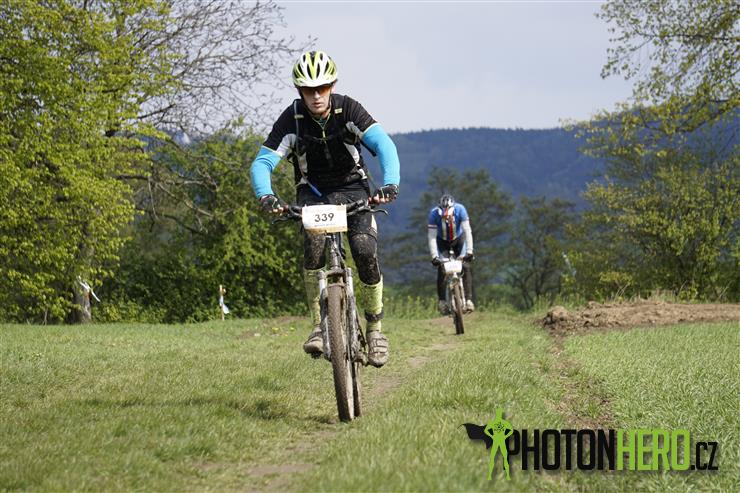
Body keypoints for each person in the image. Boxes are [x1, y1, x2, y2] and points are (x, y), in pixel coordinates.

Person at [250, 50, 400, 368]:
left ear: (332, 86)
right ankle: (319, 325)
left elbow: (384, 145)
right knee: (314, 246)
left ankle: (375, 330)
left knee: (364, 250)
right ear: (299, 91)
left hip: (353, 188)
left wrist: (390, 184)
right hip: (313, 192)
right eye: (309, 90)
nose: (316, 95)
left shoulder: (349, 110)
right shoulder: (291, 119)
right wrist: (266, 196)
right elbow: (263, 162)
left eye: (322, 88)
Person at [428, 194, 475, 314]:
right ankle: (442, 301)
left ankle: (469, 300)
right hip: (442, 241)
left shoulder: (460, 210)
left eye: (448, 217)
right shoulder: (433, 214)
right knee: (441, 268)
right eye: (444, 217)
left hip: (458, 239)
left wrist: (469, 251)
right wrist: (434, 256)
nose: (446, 219)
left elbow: (467, 231)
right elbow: (432, 237)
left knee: (465, 266)